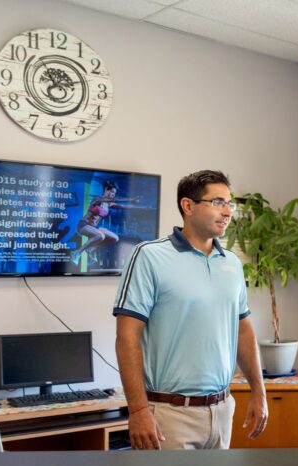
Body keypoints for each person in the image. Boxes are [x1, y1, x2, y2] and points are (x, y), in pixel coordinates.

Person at [112, 170, 268, 450]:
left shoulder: (231, 263)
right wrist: (137, 411)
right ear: (188, 206)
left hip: (222, 411)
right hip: (169, 415)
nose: (228, 211)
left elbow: (243, 331)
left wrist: (259, 391)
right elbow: (127, 337)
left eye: (229, 204)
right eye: (218, 202)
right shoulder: (149, 256)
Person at [75, 180, 140, 263]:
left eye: (114, 193)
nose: (113, 194)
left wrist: (135, 205)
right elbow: (117, 199)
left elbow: (123, 206)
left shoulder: (109, 204)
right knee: (101, 236)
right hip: (83, 225)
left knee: (114, 238)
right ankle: (77, 253)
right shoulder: (97, 199)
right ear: (106, 189)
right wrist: (131, 199)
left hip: (94, 227)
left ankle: (91, 249)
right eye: (112, 192)